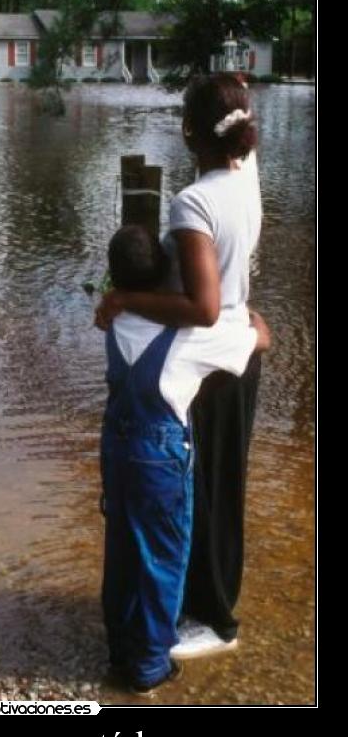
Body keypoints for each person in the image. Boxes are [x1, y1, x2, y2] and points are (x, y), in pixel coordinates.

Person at [96, 73, 263, 659]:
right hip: (236, 353)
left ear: (190, 130)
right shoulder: (245, 178)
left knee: (206, 495)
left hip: (211, 362)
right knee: (223, 490)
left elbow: (202, 306)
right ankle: (204, 607)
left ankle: (215, 622)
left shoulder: (193, 201)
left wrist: (123, 299)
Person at [100, 224, 270, 694]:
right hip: (159, 457)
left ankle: (119, 650)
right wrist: (249, 316)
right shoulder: (189, 338)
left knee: (123, 551)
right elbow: (262, 340)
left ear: (115, 281)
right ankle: (150, 667)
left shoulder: (114, 320)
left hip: (115, 448)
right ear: (163, 277)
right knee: (162, 558)